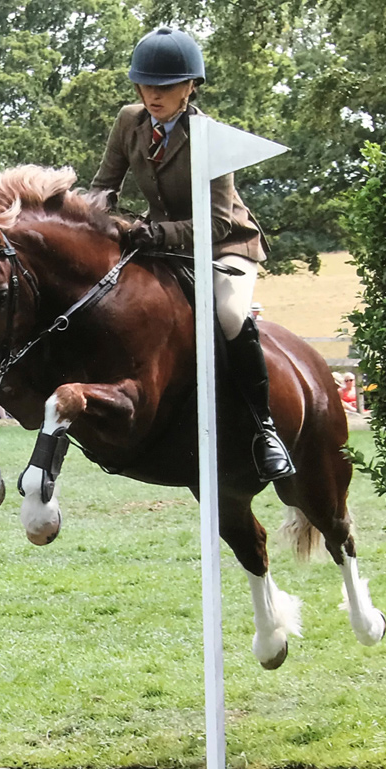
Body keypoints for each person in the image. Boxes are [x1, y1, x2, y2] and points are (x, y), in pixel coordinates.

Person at [89, 26, 293, 482]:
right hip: (160, 241)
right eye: (145, 85)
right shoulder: (129, 121)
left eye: (164, 87)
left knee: (229, 313)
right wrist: (99, 222)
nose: (152, 95)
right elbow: (105, 185)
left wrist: (156, 233)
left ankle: (265, 429)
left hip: (226, 245)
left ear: (190, 87)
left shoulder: (210, 137)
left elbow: (218, 221)